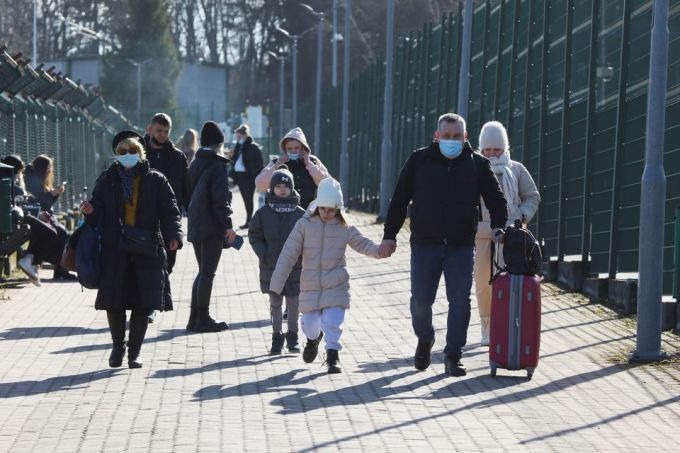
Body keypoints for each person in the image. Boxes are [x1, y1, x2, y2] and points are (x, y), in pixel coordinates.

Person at [379, 113, 508, 377]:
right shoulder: (419, 160)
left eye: (457, 136)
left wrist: (499, 226)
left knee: (459, 301)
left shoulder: (477, 164)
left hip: (461, 246)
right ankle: (425, 337)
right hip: (424, 244)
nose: (452, 140)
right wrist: (389, 235)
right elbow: (400, 199)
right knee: (420, 301)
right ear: (436, 136)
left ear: (465, 137)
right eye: (446, 136)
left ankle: (453, 355)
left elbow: (497, 199)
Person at [80, 131, 182, 369]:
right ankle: (118, 347)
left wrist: (174, 235)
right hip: (115, 248)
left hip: (147, 248)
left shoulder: (156, 179)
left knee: (143, 302)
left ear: (141, 153)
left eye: (133, 151)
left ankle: (135, 352)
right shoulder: (107, 179)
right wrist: (90, 211)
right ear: (116, 155)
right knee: (114, 301)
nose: (128, 155)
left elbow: (170, 210)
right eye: (122, 152)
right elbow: (97, 208)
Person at [269, 178, 387, 374]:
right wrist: (276, 283)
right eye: (323, 209)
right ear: (317, 206)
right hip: (311, 285)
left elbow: (362, 243)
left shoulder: (344, 226)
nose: (326, 213)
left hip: (336, 283)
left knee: (333, 321)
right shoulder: (304, 224)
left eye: (331, 210)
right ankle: (313, 339)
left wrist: (378, 251)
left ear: (338, 209)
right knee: (309, 324)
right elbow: (288, 254)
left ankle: (333, 355)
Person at [473, 121, 540, 345]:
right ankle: (487, 326)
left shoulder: (516, 169)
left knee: (511, 281)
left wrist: (521, 216)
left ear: (505, 147)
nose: (492, 154)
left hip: (512, 236)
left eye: (497, 149)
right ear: (481, 149)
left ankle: (509, 325)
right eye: (487, 150)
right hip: (483, 235)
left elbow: (532, 196)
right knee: (483, 282)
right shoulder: (474, 168)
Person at [186, 121, 236, 333]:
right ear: (219, 144)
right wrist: (228, 226)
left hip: (196, 223)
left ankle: (194, 318)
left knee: (202, 272)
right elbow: (219, 200)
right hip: (211, 226)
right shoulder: (217, 165)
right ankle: (203, 318)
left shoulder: (196, 162)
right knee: (208, 273)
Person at [248, 166, 305, 355]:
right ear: (272, 188)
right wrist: (263, 253)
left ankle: (293, 337)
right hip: (271, 266)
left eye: (286, 186)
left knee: (294, 303)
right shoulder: (263, 213)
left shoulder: (300, 214)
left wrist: (302, 256)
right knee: (275, 303)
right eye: (278, 186)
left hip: (295, 267)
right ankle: (276, 337)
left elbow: (308, 237)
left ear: (292, 188)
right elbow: (254, 235)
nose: (282, 189)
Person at [144, 113, 188, 323]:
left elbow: (186, 188)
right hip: (144, 217)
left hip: (169, 217)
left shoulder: (177, 157)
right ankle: (149, 305)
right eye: (159, 130)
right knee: (146, 262)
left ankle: (156, 297)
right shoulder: (138, 152)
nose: (162, 135)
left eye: (166, 131)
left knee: (168, 262)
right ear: (149, 129)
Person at [18, 154, 74, 284]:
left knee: (63, 233)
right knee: (60, 233)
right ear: (43, 169)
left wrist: (55, 194)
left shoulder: (39, 179)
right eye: (49, 168)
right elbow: (40, 202)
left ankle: (60, 269)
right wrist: (53, 193)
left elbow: (45, 203)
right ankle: (56, 268)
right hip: (36, 216)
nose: (50, 171)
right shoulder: (32, 179)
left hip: (42, 215)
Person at [255, 127, 329, 210]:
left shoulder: (313, 161)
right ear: (284, 149)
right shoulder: (277, 162)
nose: (293, 152)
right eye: (289, 149)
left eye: (296, 148)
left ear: (303, 147)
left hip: (307, 212)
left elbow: (326, 184)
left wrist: (309, 165)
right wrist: (277, 166)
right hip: (281, 213)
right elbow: (260, 186)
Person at [231, 124, 264, 229]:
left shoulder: (253, 146)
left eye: (239, 136)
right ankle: (249, 220)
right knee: (246, 199)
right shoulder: (238, 146)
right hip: (240, 176)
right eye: (237, 137)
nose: (237, 139)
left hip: (249, 177)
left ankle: (249, 221)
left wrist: (259, 177)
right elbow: (235, 160)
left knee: (248, 199)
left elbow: (259, 163)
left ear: (245, 135)